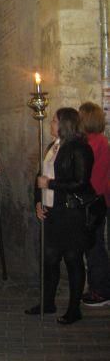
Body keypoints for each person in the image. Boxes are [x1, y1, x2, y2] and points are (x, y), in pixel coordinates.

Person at [25, 107, 94, 324]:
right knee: (49, 259)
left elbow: (81, 183)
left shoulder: (80, 149)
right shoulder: (52, 146)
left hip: (71, 213)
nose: (50, 124)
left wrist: (52, 184)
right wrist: (38, 201)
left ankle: (74, 309)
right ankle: (48, 302)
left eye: (54, 121)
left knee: (73, 260)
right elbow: (40, 177)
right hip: (51, 211)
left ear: (65, 124)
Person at [79, 102, 110, 307]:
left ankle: (101, 291)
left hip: (95, 200)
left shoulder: (93, 143)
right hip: (99, 198)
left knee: (94, 246)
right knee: (94, 245)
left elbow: (92, 177)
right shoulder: (99, 141)